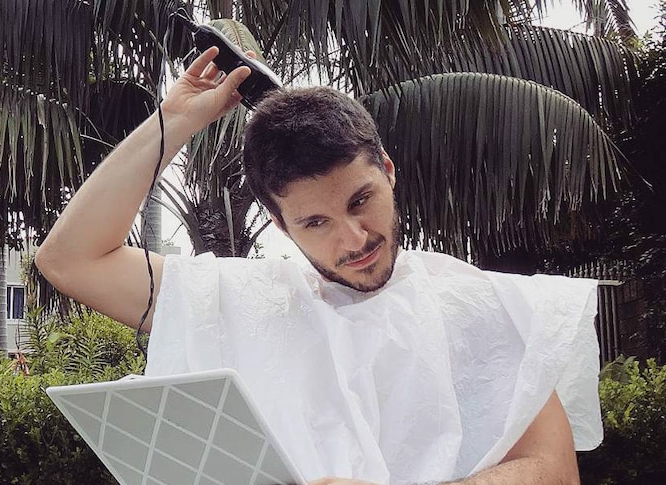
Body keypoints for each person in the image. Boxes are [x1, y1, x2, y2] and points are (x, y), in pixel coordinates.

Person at [35, 47, 601, 485]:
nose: (354, 239)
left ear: (387, 169)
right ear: (281, 226)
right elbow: (69, 259)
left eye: (360, 200)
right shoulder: (234, 299)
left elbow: (553, 469)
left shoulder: (476, 300)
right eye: (316, 223)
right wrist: (175, 118)